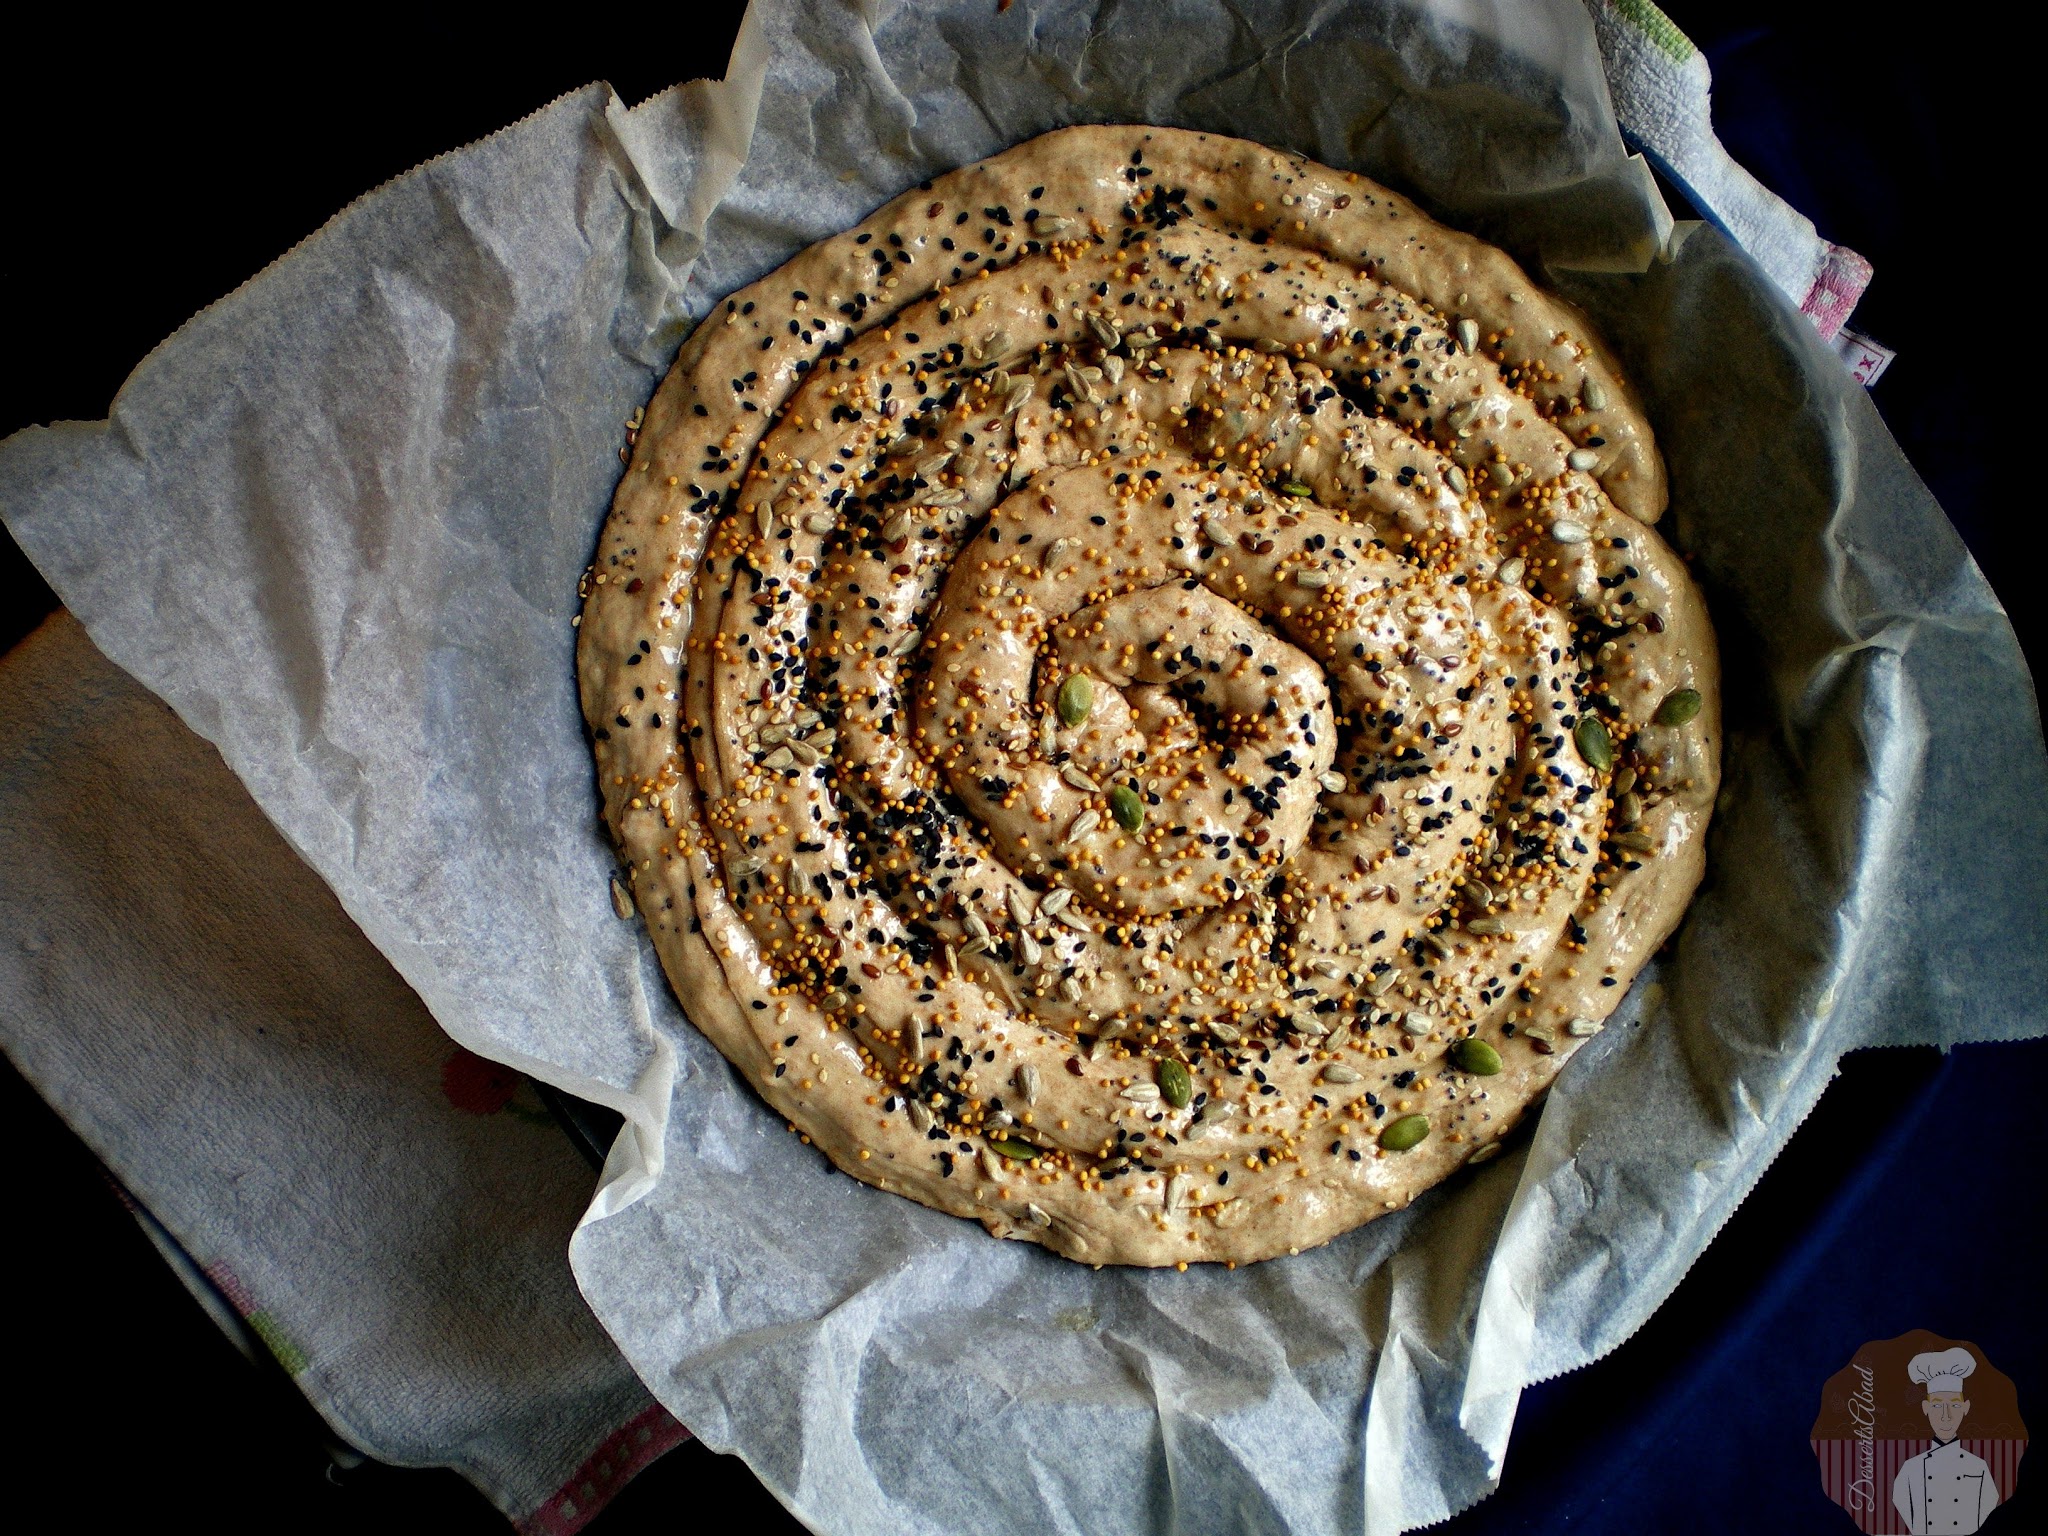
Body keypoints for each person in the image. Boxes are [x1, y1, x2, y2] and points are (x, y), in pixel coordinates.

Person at [1892, 1347, 2000, 1533]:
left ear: (1966, 1408)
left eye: (1955, 1405)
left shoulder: (1979, 1467)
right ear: (1925, 1408)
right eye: (1937, 1405)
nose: (1945, 1416)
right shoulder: (1910, 1469)